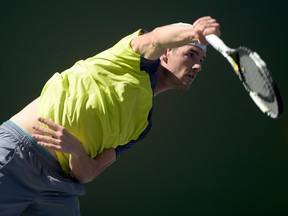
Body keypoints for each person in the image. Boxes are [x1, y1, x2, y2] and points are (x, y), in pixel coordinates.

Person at [0, 16, 220, 215]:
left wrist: (76, 152)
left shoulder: (142, 125)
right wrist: (195, 33)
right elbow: (155, 39)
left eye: (202, 59)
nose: (198, 65)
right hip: (17, 155)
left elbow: (89, 173)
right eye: (191, 54)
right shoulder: (130, 58)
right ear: (165, 54)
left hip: (59, 189)